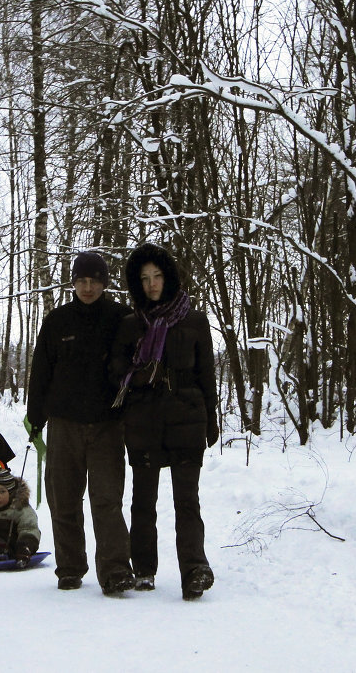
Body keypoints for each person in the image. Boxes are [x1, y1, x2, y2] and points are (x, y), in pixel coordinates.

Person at [109, 242, 219, 601]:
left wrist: (212, 419)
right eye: (144, 279)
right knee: (143, 499)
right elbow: (116, 372)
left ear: (168, 277)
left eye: (157, 276)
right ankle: (143, 568)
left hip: (187, 418)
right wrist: (139, 376)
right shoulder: (130, 324)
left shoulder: (195, 320)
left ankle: (195, 569)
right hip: (143, 421)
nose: (151, 284)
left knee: (187, 500)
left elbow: (206, 373)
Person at [26, 251, 135, 594]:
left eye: (95, 281)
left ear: (104, 283)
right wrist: (35, 417)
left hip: (107, 424)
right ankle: (70, 567)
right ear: (73, 283)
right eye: (82, 281)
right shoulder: (57, 321)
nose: (88, 287)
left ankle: (116, 569)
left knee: (107, 500)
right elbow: (41, 371)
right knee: (64, 500)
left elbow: (136, 369)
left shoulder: (122, 318)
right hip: (64, 424)